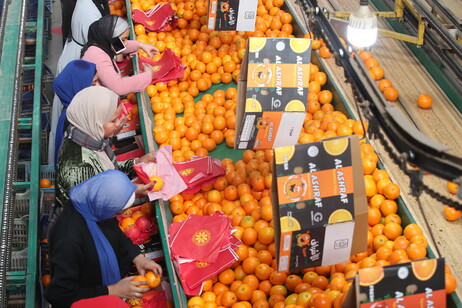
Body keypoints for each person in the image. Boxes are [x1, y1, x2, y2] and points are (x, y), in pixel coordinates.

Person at [45, 170, 163, 307]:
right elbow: (61, 295)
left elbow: (114, 232)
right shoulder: (68, 241)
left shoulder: (93, 205)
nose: (122, 215)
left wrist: (137, 257)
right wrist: (112, 290)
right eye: (119, 212)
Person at [55, 86, 155, 210]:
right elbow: (96, 208)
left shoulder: (90, 137)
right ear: (96, 121)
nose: (119, 124)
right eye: (113, 121)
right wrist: (128, 192)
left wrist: (137, 163)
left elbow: (109, 172)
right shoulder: (79, 166)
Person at [81, 15, 159, 96]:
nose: (125, 43)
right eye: (123, 39)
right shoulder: (97, 57)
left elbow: (117, 45)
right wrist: (147, 76)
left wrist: (141, 45)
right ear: (110, 38)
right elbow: (119, 87)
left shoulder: (100, 44)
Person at [49, 60, 100, 165]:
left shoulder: (75, 111)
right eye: (93, 83)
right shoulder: (73, 123)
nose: (98, 86)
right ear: (80, 86)